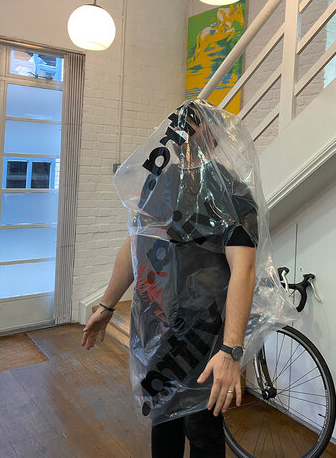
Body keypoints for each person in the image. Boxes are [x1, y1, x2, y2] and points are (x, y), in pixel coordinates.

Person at [81, 100, 259, 458]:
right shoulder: (161, 183)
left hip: (202, 336)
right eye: (182, 123)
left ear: (214, 132)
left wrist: (230, 349)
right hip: (157, 328)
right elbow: (136, 245)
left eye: (194, 122)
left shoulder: (232, 192)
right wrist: (107, 305)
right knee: (163, 421)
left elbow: (244, 269)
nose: (186, 129)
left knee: (202, 428)